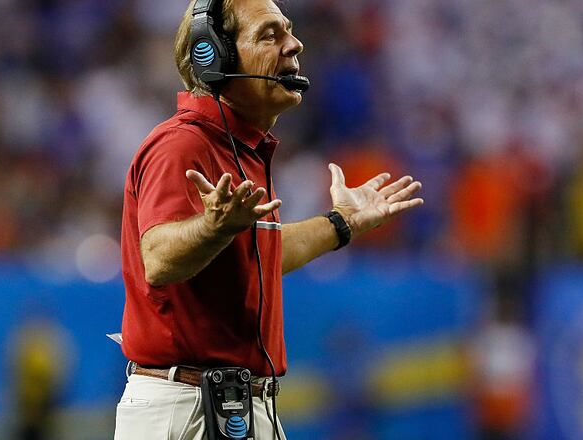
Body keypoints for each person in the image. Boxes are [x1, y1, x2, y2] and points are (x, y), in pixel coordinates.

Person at [114, 0, 424, 439]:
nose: (294, 44)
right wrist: (211, 227)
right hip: (184, 407)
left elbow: (260, 256)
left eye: (289, 31)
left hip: (237, 405)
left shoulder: (242, 149)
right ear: (213, 56)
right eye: (269, 34)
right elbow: (159, 260)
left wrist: (342, 223)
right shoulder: (180, 146)